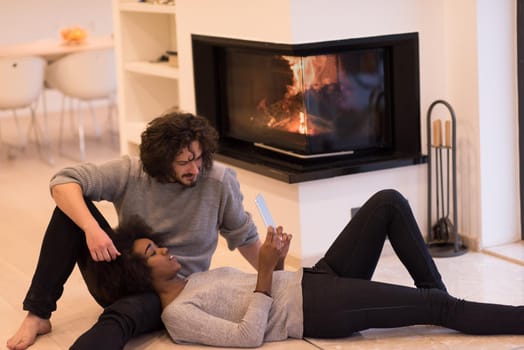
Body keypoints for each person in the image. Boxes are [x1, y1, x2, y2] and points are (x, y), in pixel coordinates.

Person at [108, 190, 523, 348]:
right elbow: (248, 336)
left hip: (314, 279)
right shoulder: (177, 317)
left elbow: (265, 295)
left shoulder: (196, 278)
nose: (163, 249)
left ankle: (440, 301)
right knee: (436, 307)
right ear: (142, 274)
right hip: (320, 310)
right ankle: (447, 306)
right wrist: (267, 272)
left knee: (387, 203)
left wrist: (280, 261)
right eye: (152, 253)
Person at [6, 111, 262, 350]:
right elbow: (63, 181)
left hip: (169, 291)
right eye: (184, 162)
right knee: (68, 212)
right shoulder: (132, 172)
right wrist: (91, 228)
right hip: (123, 273)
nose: (194, 168)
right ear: (161, 163)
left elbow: (244, 236)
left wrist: (276, 276)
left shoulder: (218, 181)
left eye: (198, 157)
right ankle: (38, 314)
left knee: (119, 319)